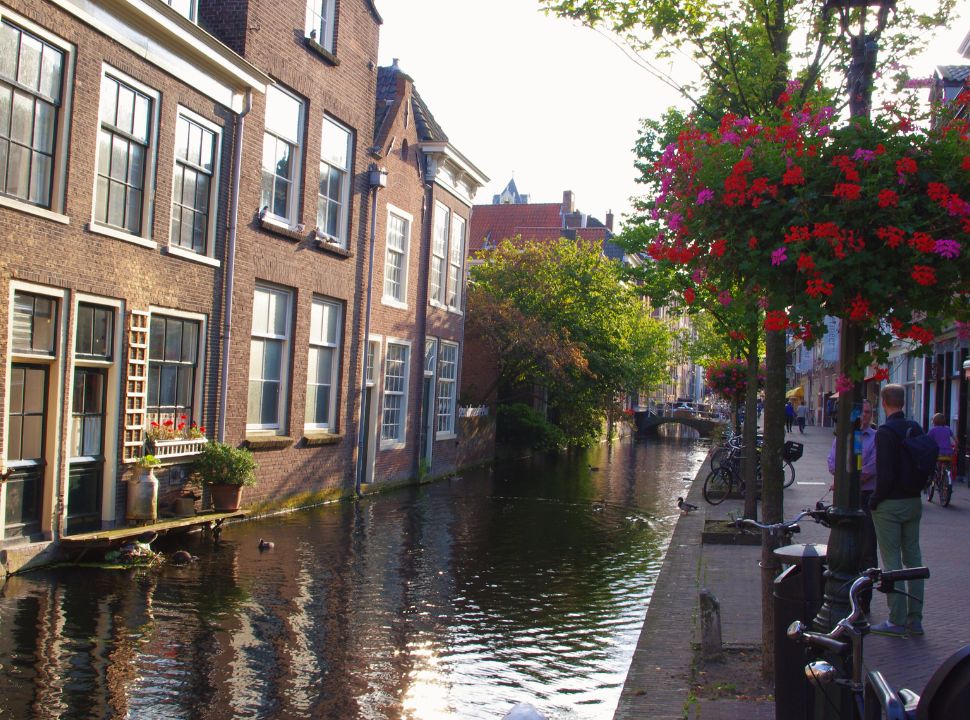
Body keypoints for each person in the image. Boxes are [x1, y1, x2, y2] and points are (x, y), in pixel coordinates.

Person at [869, 384, 925, 638]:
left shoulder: (885, 432)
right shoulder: (914, 427)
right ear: (903, 401)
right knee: (913, 560)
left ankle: (896, 619)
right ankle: (916, 620)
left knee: (891, 562)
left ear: (884, 403)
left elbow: (886, 474)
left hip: (890, 504)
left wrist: (875, 500)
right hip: (913, 501)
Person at [827, 400, 878, 618]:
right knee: (841, 547)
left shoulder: (876, 439)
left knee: (867, 550)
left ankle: (864, 600)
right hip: (845, 498)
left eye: (867, 412)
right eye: (861, 412)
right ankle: (842, 595)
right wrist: (850, 475)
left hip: (866, 499)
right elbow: (831, 463)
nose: (864, 416)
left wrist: (846, 476)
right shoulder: (843, 438)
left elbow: (872, 468)